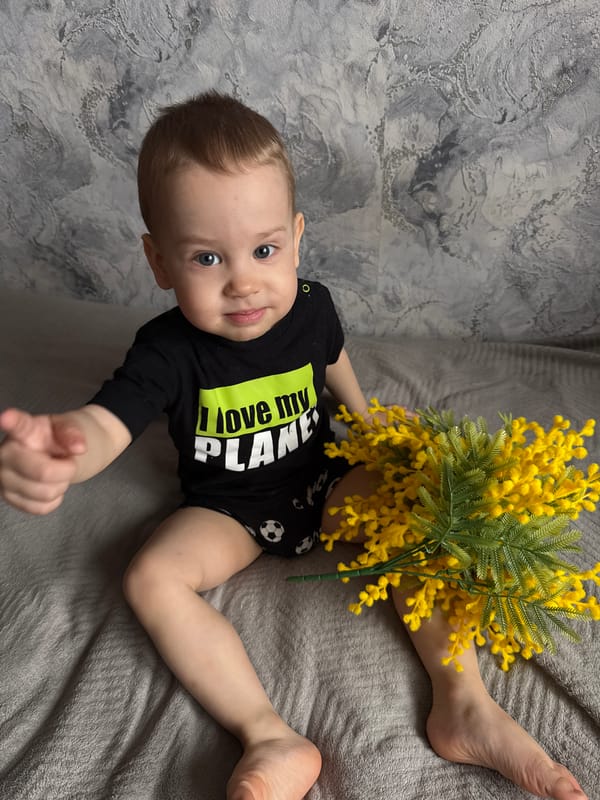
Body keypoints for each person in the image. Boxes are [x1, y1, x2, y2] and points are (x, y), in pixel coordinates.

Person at [0, 91, 588, 800]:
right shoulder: (166, 352)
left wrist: (367, 420)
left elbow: (332, 357)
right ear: (159, 261)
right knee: (150, 577)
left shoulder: (310, 305)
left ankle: (464, 701)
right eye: (207, 258)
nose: (245, 280)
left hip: (325, 480)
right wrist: (65, 446)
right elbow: (110, 421)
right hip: (230, 507)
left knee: (423, 517)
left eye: (265, 249)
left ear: (298, 237)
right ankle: (268, 735)